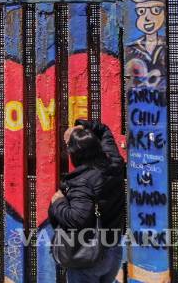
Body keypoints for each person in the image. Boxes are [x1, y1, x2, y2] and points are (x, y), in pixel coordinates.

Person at [49, 119, 126, 283]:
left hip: (89, 256)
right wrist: (82, 126)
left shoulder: (82, 181)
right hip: (113, 251)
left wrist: (58, 202)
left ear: (75, 155)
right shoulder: (114, 164)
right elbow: (104, 130)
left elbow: (77, 218)